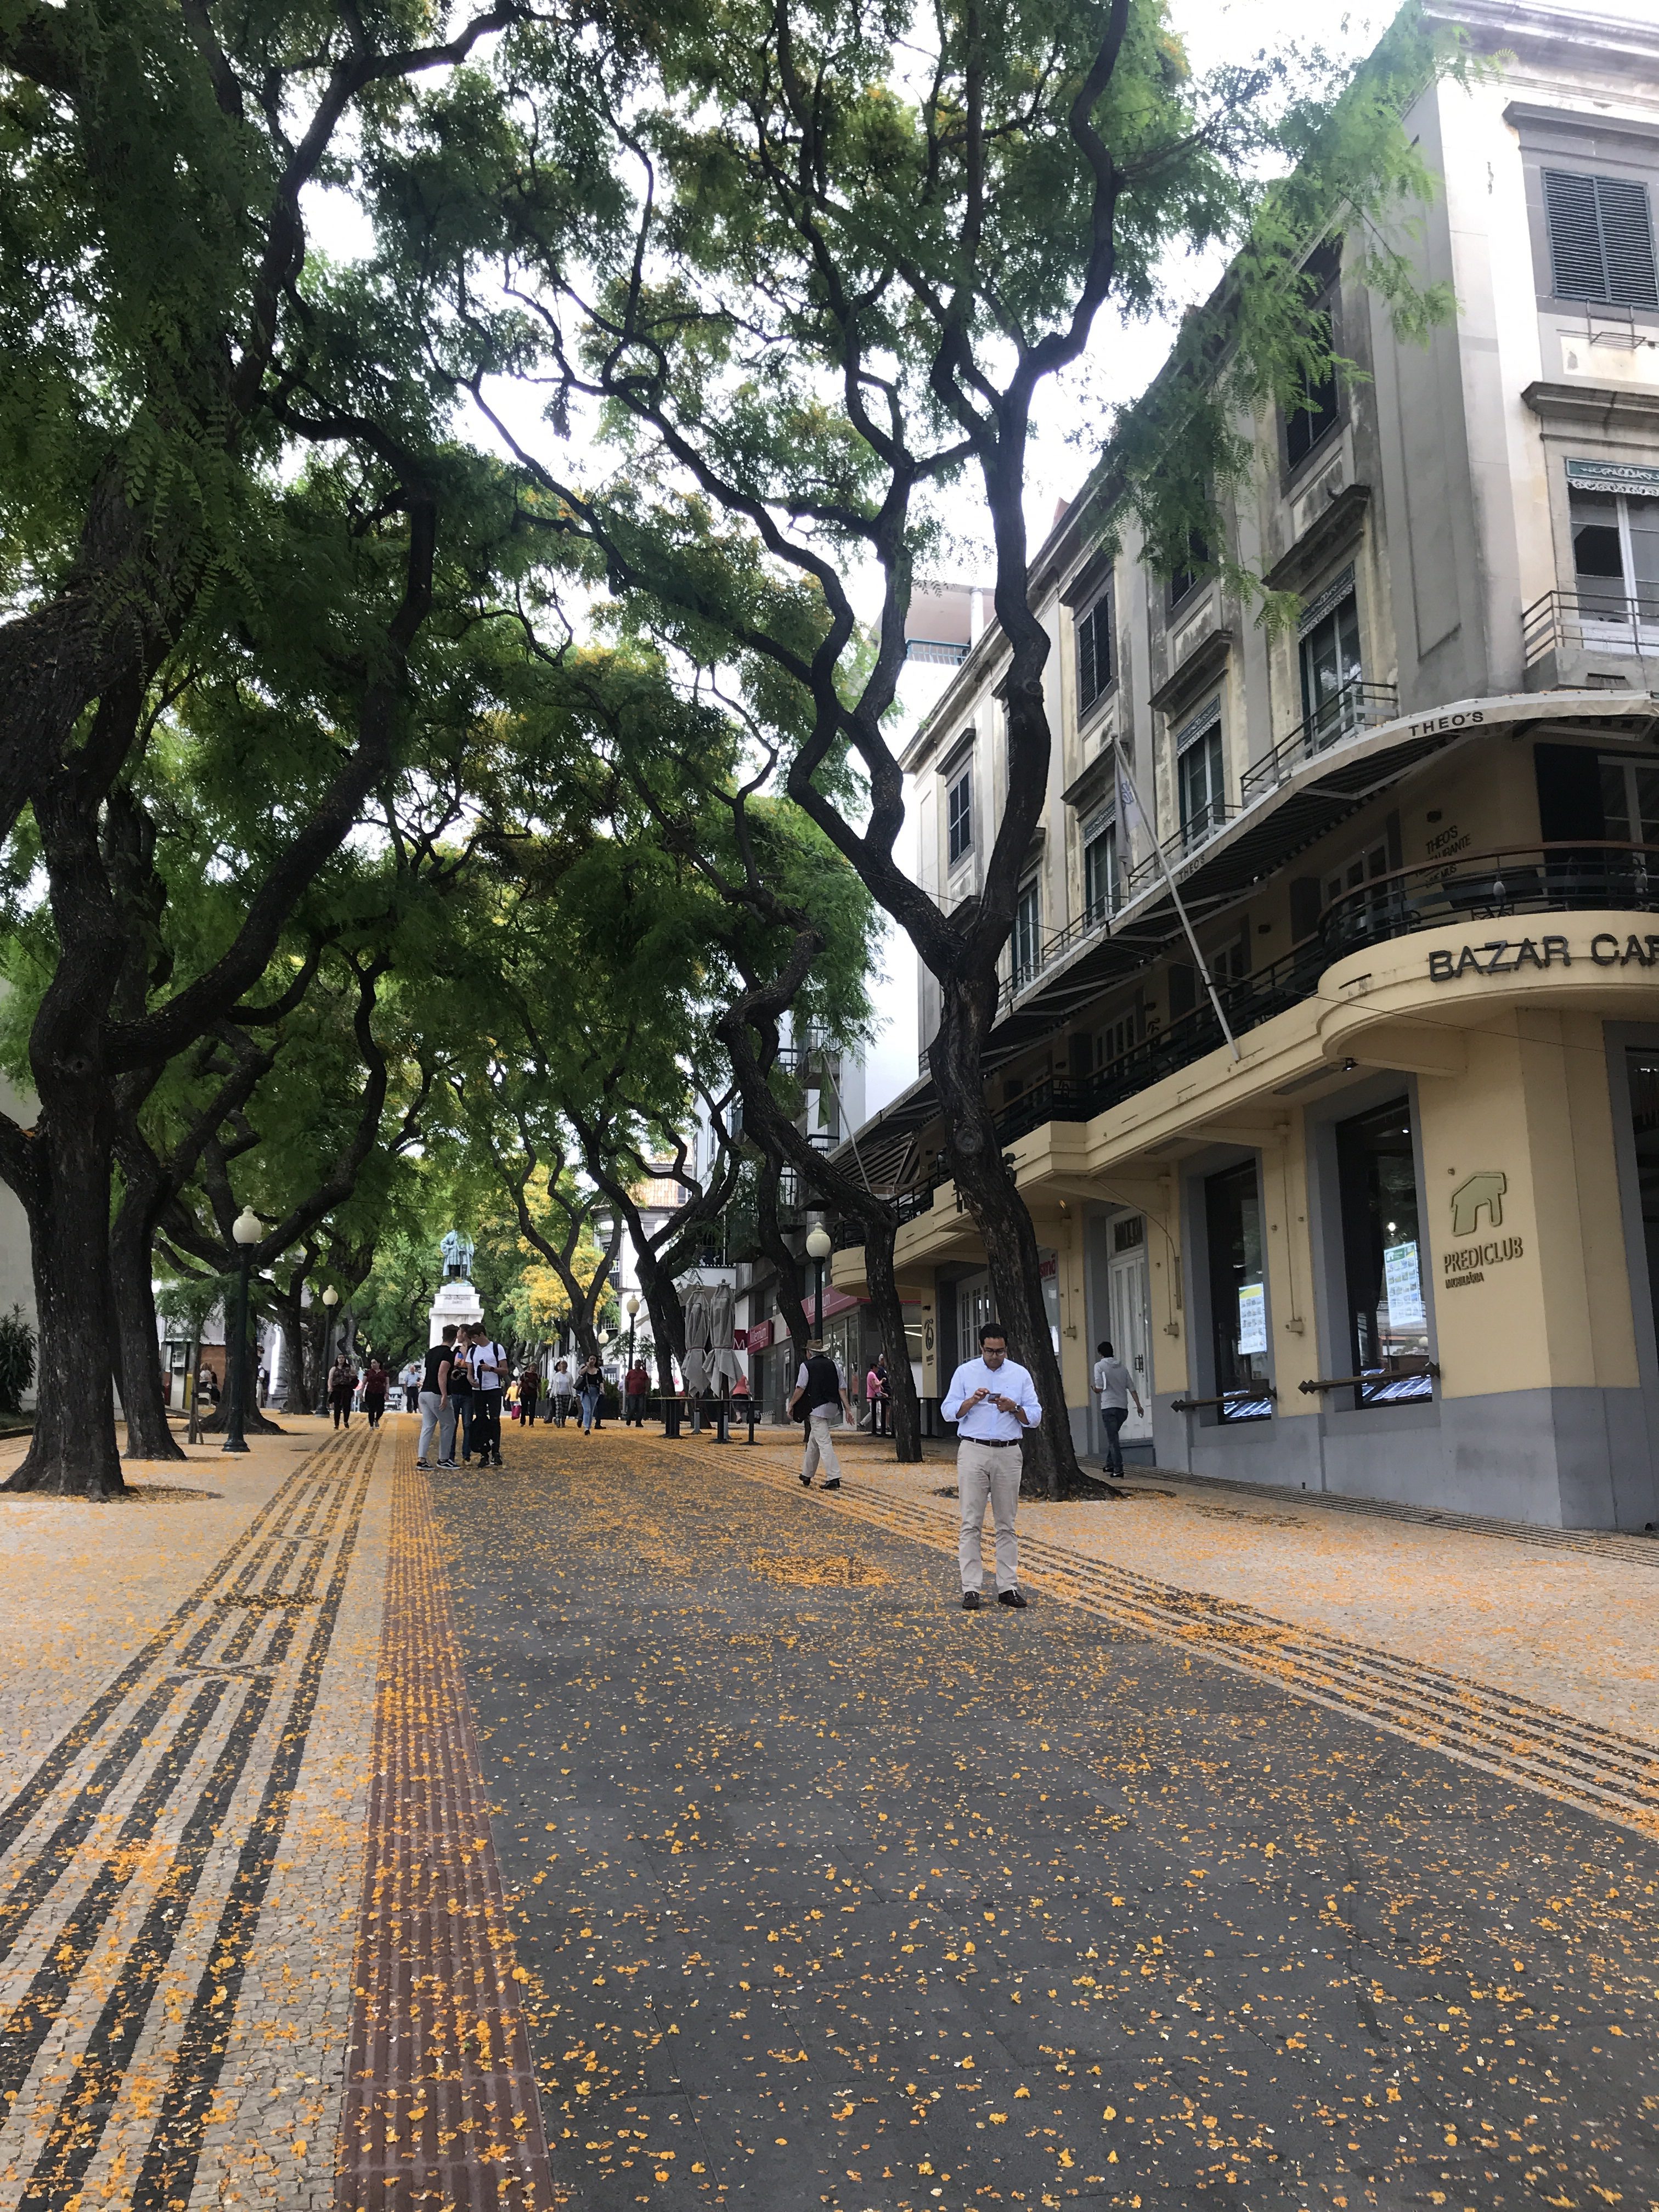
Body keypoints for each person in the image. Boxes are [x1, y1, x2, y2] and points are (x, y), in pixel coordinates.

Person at [942, 1321, 1041, 1611]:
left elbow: (1035, 1416)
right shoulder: (965, 1372)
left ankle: (1008, 1587)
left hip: (1008, 1451)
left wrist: (1014, 1408)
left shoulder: (1020, 1374)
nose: (995, 1357)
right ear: (981, 1347)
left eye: (1000, 1352)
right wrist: (971, 1402)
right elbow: (948, 1412)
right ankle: (971, 1588)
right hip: (973, 1449)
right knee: (971, 1522)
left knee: (1006, 1524)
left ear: (1007, 1349)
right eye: (989, 1351)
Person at [791, 1339, 852, 1492]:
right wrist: (848, 1409)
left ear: (810, 1353)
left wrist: (791, 1404)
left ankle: (834, 1477)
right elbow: (842, 1389)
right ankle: (806, 1474)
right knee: (815, 1439)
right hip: (832, 1406)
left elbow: (800, 1388)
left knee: (824, 1442)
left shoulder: (806, 1366)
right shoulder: (834, 1365)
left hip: (816, 1408)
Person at [1092, 1338, 1144, 1480]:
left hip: (1108, 1407)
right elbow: (1132, 1388)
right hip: (1122, 1408)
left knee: (1113, 1439)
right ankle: (1109, 1465)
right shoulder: (1122, 1368)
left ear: (1101, 1353)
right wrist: (1139, 1406)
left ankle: (1118, 1469)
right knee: (1113, 1437)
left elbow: (1100, 1387)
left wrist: (1095, 1390)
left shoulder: (1099, 1366)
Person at [417, 1328, 456, 1469]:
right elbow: (441, 1373)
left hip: (424, 1393)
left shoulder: (431, 1352)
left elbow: (433, 1372)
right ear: (454, 1338)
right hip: (436, 1393)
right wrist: (444, 1394)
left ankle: (422, 1459)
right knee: (449, 1424)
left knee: (428, 1426)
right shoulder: (448, 1354)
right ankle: (444, 1459)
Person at [471, 1324, 509, 1468]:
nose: (473, 1341)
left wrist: (491, 1369)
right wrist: (471, 1380)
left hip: (493, 1389)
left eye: (475, 1337)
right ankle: (484, 1453)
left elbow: (505, 1370)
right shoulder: (473, 1351)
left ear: (481, 1334)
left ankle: (496, 1451)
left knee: (494, 1420)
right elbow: (470, 1371)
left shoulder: (497, 1348)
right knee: (481, 1420)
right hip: (478, 1390)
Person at [448, 1329, 475, 1462]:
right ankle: (450, 1455)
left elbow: (475, 1368)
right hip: (455, 1390)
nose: (457, 1336)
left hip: (468, 1393)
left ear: (464, 1334)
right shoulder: (456, 1350)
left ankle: (466, 1454)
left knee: (468, 1425)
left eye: (459, 1333)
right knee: (453, 1424)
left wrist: (466, 1355)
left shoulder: (475, 1350)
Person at [328, 1351, 357, 1431]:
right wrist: (330, 1387)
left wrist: (350, 1376)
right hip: (337, 1389)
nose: (341, 1359)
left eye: (342, 1358)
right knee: (337, 1407)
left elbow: (355, 1376)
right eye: (339, 1358)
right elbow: (330, 1378)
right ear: (337, 1359)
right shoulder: (334, 1369)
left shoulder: (349, 1368)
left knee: (347, 1406)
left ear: (345, 1359)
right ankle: (336, 1424)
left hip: (347, 1389)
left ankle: (346, 1421)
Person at [576, 1353, 604, 1435]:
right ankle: (586, 1427)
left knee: (591, 1411)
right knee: (587, 1410)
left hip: (595, 1391)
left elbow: (601, 1381)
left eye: (594, 1359)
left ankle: (588, 1427)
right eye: (591, 1359)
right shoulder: (585, 1368)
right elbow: (580, 1373)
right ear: (588, 1360)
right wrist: (587, 1367)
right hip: (586, 1391)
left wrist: (602, 1389)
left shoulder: (598, 1370)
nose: (592, 1361)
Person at [361, 1357, 388, 1430]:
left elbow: (387, 1383)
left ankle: (376, 1419)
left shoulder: (384, 1373)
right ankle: (371, 1425)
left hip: (380, 1393)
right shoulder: (368, 1373)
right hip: (370, 1392)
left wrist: (387, 1393)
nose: (372, 1365)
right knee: (371, 1409)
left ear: (379, 1364)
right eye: (372, 1363)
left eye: (374, 1363)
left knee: (381, 1409)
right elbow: (364, 1383)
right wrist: (361, 1393)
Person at [866, 1355, 889, 1438]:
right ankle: (864, 1423)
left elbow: (876, 1387)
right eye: (876, 1369)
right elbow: (875, 1385)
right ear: (874, 1368)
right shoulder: (872, 1375)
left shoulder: (872, 1374)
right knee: (874, 1411)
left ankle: (879, 1426)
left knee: (878, 1411)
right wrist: (882, 1381)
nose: (877, 1370)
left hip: (877, 1395)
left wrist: (882, 1393)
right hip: (873, 1396)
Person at [623, 1359, 650, 1426]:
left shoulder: (643, 1373)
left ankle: (638, 1422)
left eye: (638, 1364)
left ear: (641, 1365)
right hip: (632, 1393)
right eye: (636, 1364)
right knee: (632, 1408)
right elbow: (626, 1381)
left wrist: (647, 1391)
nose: (637, 1366)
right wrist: (627, 1391)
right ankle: (629, 1418)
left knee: (640, 1408)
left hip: (641, 1393)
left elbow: (647, 1381)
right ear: (634, 1365)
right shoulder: (631, 1372)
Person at [550, 1357, 573, 1426]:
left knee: (565, 1409)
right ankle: (558, 1421)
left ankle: (563, 1420)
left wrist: (574, 1395)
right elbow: (554, 1385)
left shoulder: (569, 1375)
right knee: (559, 1408)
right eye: (562, 1364)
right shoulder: (557, 1375)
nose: (563, 1366)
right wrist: (552, 1393)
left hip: (567, 1394)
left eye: (564, 1364)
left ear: (567, 1366)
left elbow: (572, 1385)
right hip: (558, 1394)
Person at [519, 1363, 541, 1427]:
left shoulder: (537, 1376)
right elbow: (520, 1384)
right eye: (532, 1366)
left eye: (535, 1367)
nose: (533, 1368)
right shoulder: (525, 1374)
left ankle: (531, 1423)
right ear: (530, 1367)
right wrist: (517, 1392)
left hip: (533, 1393)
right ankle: (522, 1422)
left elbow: (539, 1385)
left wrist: (540, 1394)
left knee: (532, 1408)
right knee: (524, 1408)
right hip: (524, 1393)